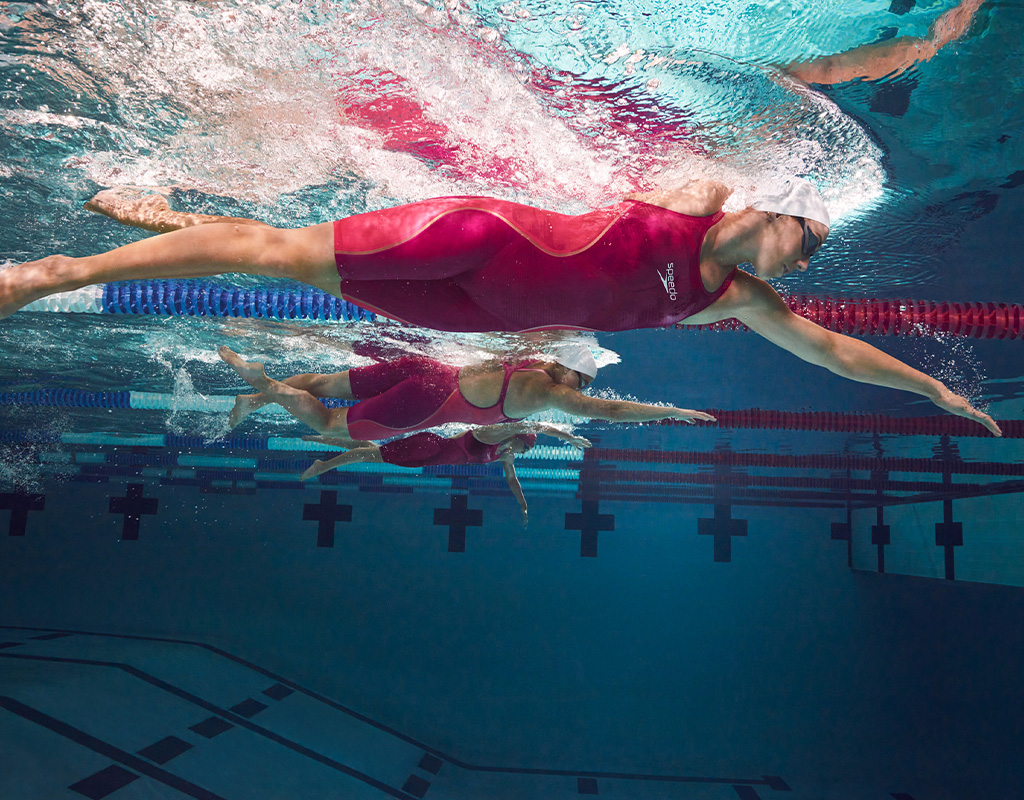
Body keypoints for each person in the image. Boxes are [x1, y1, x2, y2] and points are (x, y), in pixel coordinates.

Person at [0, 172, 999, 436]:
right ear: (771, 211)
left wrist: (932, 390)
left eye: (808, 248)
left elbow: (833, 355)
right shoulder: (699, 194)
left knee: (281, 270)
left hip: (469, 317)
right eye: (801, 235)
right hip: (475, 236)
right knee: (273, 252)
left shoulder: (731, 301)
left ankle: (160, 212)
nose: (800, 256)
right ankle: (51, 272)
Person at [218, 343, 715, 440]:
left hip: (429, 367)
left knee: (326, 383)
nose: (581, 391)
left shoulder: (525, 353)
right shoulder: (546, 389)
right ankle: (264, 386)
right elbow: (605, 410)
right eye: (582, 381)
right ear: (570, 374)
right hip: (429, 401)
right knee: (329, 422)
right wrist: (672, 412)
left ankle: (256, 395)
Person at [301, 423, 591, 524]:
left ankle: (321, 441)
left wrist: (523, 505)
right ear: (519, 437)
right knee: (372, 454)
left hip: (430, 458)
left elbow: (512, 479)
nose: (524, 453)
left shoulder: (504, 453)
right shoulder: (493, 435)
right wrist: (568, 437)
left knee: (373, 451)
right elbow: (538, 426)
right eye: (525, 447)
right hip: (428, 446)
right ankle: (323, 465)